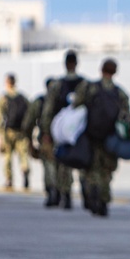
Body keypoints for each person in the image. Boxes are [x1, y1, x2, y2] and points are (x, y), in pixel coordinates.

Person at [72, 58, 130, 217]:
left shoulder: (90, 88)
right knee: (107, 171)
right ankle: (104, 200)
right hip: (111, 137)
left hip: (91, 135)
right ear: (115, 72)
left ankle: (93, 191)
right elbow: (126, 117)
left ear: (101, 69)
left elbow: (76, 105)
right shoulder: (120, 93)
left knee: (91, 169)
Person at [41, 50, 87, 210]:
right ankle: (87, 194)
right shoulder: (84, 84)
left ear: (65, 64)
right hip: (81, 130)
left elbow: (48, 110)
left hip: (61, 130)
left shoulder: (57, 85)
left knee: (63, 163)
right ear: (76, 63)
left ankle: (65, 195)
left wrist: (46, 131)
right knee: (83, 162)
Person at [23, 78, 57, 206]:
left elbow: (28, 123)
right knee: (62, 166)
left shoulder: (40, 102)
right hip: (61, 140)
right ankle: (64, 194)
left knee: (49, 166)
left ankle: (52, 191)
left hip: (46, 139)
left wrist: (29, 140)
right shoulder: (64, 100)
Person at [0, 74, 31, 191]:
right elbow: (30, 114)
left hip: (8, 132)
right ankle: (25, 171)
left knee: (8, 156)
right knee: (24, 155)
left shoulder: (3, 98)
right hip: (21, 132)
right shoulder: (23, 97)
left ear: (6, 82)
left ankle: (9, 179)